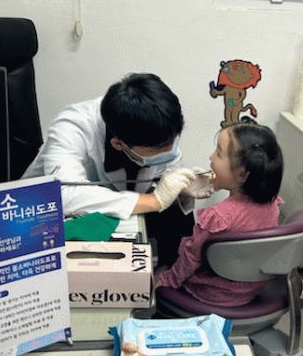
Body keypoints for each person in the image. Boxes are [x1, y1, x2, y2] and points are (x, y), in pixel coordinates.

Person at [24, 73, 212, 264]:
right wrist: (154, 200)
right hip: (41, 220)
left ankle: (171, 276)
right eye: (158, 150)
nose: (169, 152)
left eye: (172, 143)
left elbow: (164, 180)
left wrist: (182, 192)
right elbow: (64, 195)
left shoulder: (158, 130)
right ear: (118, 144)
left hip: (108, 213)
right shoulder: (73, 126)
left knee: (177, 219)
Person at [154, 121, 283, 307]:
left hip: (212, 293)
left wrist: (166, 279)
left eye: (219, 153)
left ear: (242, 175)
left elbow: (190, 259)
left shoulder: (217, 217)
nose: (211, 157)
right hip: (249, 291)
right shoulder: (273, 204)